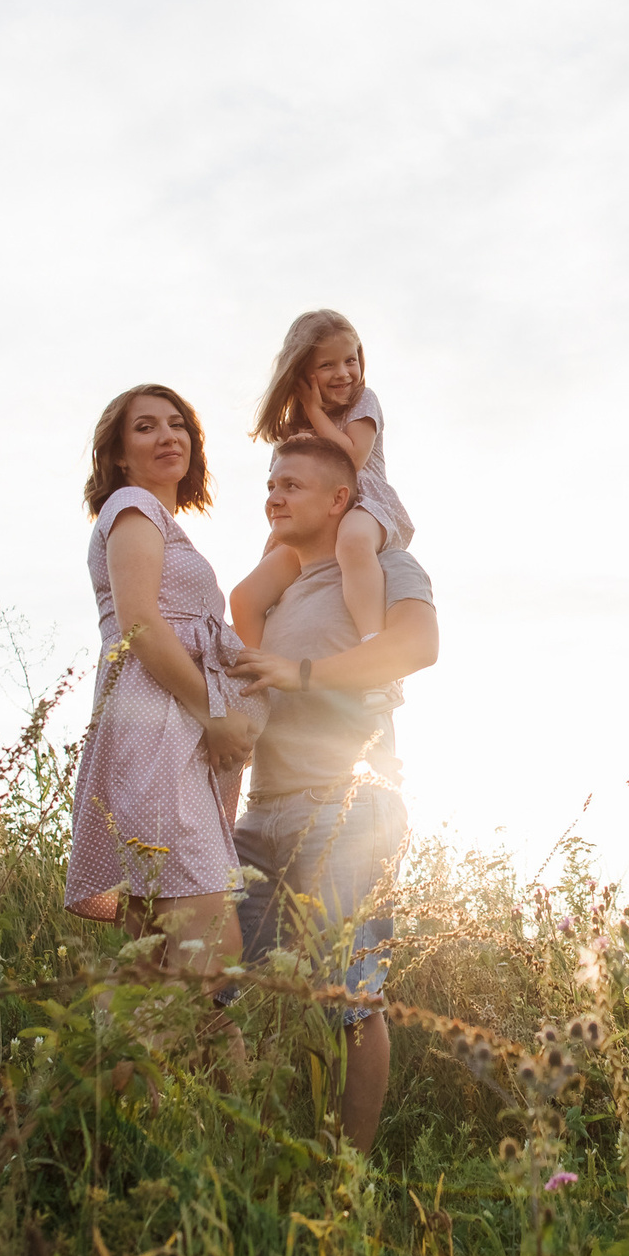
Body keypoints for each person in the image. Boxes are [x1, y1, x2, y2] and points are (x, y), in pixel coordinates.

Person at [229, 434, 439, 1152]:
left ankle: (348, 1173)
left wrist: (303, 673)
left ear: (338, 500)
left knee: (349, 997)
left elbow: (417, 646)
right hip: (261, 813)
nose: (274, 497)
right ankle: (256, 1148)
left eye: (291, 485)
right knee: (223, 984)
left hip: (348, 808)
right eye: (270, 484)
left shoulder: (386, 564)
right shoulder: (278, 590)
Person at [64, 385, 262, 991]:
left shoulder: (159, 521)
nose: (167, 436)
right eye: (145, 427)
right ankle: (209, 1053)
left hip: (162, 731)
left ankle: (119, 1056)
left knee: (154, 963)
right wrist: (215, 716)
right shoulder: (133, 508)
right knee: (213, 951)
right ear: (118, 455)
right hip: (158, 732)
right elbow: (142, 626)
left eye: (177, 424)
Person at [230, 311, 415, 704]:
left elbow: (353, 457)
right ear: (303, 373)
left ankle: (377, 661)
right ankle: (254, 687)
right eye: (327, 365)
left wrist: (315, 413)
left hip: (365, 507)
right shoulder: (292, 428)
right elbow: (284, 488)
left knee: (352, 543)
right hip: (315, 524)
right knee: (246, 594)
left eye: (350, 359)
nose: (344, 372)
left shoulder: (364, 401)